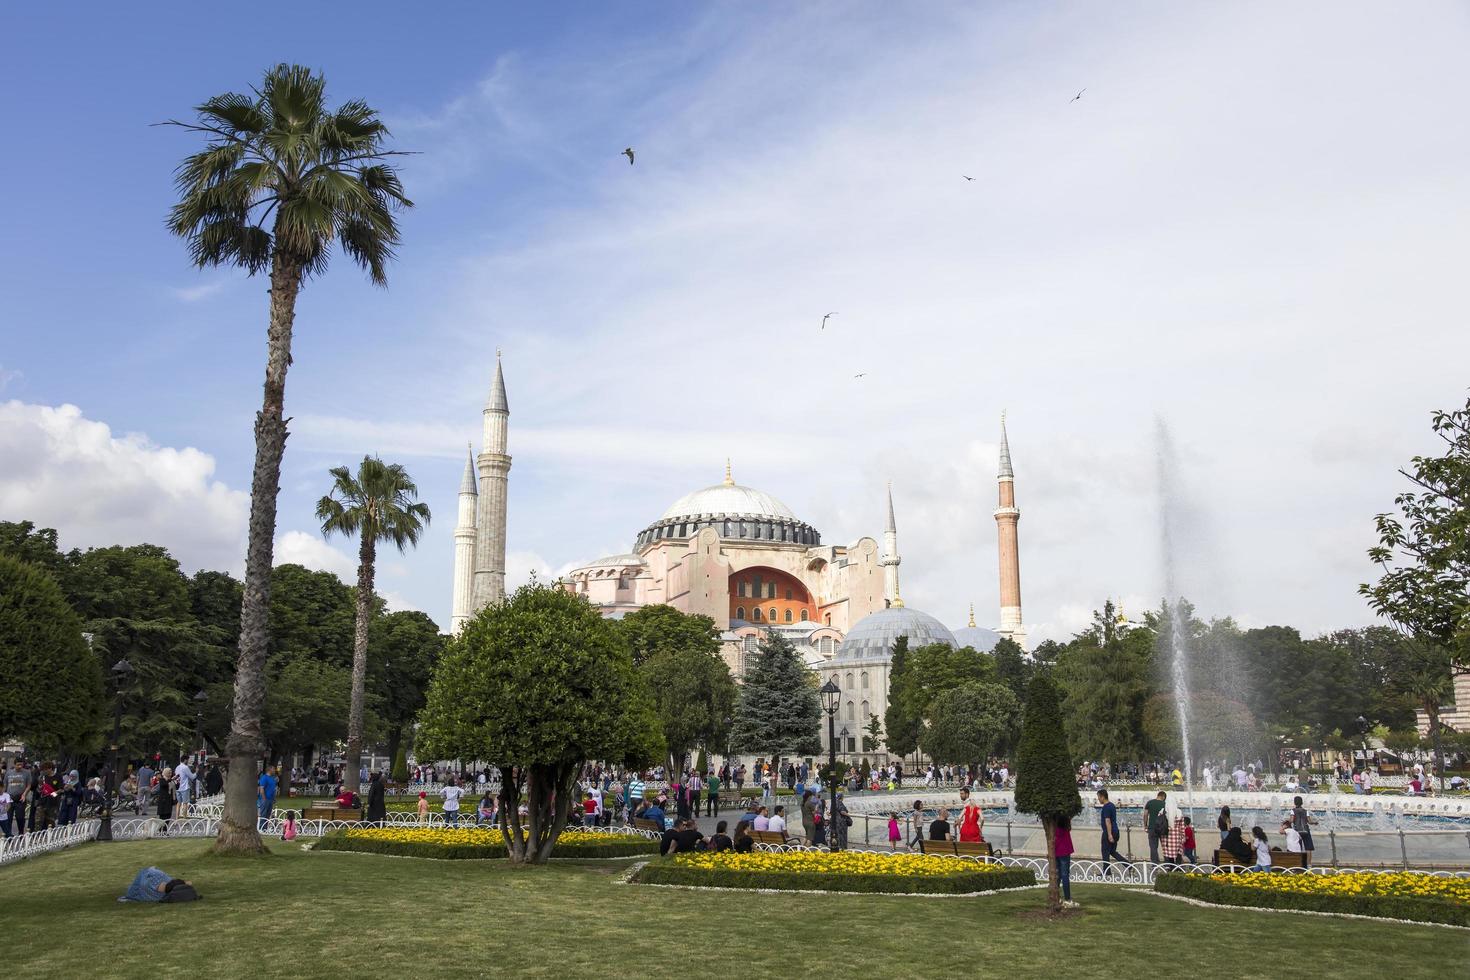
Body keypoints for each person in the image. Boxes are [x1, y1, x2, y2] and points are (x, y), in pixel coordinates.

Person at [119, 867, 197, 903]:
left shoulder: (163, 877)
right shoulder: (160, 897)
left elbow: (148, 870)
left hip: (139, 885)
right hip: (141, 885)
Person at [1097, 789, 1128, 877]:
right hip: (1116, 831)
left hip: (1109, 832)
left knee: (1105, 852)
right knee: (1112, 851)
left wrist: (1109, 835)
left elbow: (1108, 821)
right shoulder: (1112, 805)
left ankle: (1107, 871)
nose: (1098, 799)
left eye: (1099, 797)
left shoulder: (1106, 807)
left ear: (1102, 796)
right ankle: (1128, 865)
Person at [1055, 814, 1077, 908]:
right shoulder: (1066, 827)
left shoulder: (1055, 828)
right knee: (1065, 875)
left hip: (1057, 852)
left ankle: (1056, 896)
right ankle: (1067, 898)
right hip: (1065, 851)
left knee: (1058, 875)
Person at [1290, 795, 1317, 868]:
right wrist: (1314, 823)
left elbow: (1292, 820)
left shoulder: (1293, 810)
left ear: (1295, 802)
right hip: (1306, 830)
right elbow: (1309, 821)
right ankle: (1309, 864)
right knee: (1308, 848)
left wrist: (1286, 821)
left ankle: (1299, 863)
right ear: (1302, 802)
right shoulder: (1305, 811)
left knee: (1298, 847)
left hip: (1297, 832)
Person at [1144, 790, 1167, 864]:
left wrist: (1145, 825)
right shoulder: (1165, 804)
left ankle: (1155, 863)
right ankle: (1167, 862)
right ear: (1163, 797)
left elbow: (1145, 815)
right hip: (1163, 828)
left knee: (1153, 846)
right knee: (1165, 846)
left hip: (1152, 827)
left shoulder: (1150, 803)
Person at [256, 765, 277, 830]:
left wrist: (274, 798)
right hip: (265, 799)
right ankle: (261, 828)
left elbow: (273, 789)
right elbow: (261, 788)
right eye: (273, 769)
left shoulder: (273, 778)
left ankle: (265, 828)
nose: (274, 770)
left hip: (270, 799)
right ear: (269, 770)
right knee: (263, 814)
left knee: (268, 815)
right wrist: (264, 798)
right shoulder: (264, 778)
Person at [156, 769, 175, 834]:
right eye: (169, 773)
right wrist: (170, 780)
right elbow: (164, 784)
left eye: (171, 773)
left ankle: (164, 830)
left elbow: (174, 788)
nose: (170, 774)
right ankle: (162, 830)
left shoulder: (171, 781)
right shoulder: (162, 779)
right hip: (163, 801)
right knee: (163, 817)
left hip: (169, 801)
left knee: (168, 816)